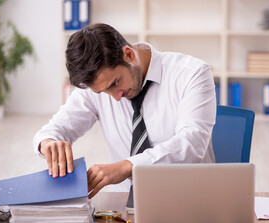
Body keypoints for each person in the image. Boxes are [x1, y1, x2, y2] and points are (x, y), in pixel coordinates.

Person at [33, 23, 216, 198]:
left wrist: (128, 166)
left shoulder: (192, 73)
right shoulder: (99, 87)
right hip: (125, 206)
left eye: (115, 83)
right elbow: (54, 129)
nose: (116, 97)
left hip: (191, 198)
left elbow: (192, 143)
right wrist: (48, 142)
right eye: (104, 91)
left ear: (128, 54)